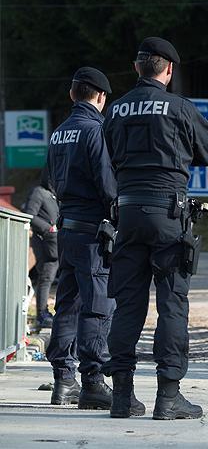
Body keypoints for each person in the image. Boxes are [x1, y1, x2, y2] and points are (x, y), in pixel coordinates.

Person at [101, 37, 208, 420]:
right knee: (171, 305)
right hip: (169, 215)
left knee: (127, 306)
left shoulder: (116, 110)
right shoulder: (180, 108)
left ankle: (122, 398)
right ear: (168, 70)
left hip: (127, 215)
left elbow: (106, 157)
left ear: (137, 68)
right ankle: (168, 398)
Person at [44, 67, 119, 410]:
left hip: (66, 227)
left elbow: (50, 179)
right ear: (100, 96)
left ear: (72, 94)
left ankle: (63, 382)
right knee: (97, 304)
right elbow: (107, 184)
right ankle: (93, 381)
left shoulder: (59, 132)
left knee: (67, 304)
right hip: (92, 228)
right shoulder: (95, 131)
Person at [23, 169, 60, 328]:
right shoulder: (39, 192)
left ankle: (47, 312)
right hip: (44, 242)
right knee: (45, 278)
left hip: (56, 244)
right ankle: (41, 314)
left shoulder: (54, 195)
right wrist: (48, 228)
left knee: (50, 278)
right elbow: (29, 215)